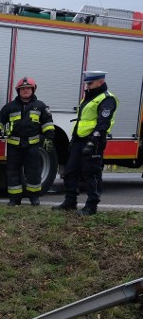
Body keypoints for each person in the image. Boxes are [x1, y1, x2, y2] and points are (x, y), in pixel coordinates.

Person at [52, 71, 118, 216]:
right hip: (80, 139)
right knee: (70, 171)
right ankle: (70, 202)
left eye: (90, 83)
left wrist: (93, 142)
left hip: (94, 140)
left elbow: (103, 123)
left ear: (100, 82)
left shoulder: (107, 99)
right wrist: (74, 139)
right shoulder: (89, 97)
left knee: (91, 173)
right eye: (87, 83)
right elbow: (82, 121)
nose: (87, 86)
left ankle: (91, 206)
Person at [0, 77, 55, 206]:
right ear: (18, 91)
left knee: (33, 172)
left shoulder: (40, 106)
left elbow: (48, 123)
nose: (25, 90)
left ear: (33, 90)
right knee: (13, 172)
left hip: (32, 145)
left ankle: (34, 198)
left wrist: (49, 137)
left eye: (28, 88)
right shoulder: (10, 107)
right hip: (14, 145)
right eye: (22, 89)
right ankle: (14, 199)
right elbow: (0, 121)